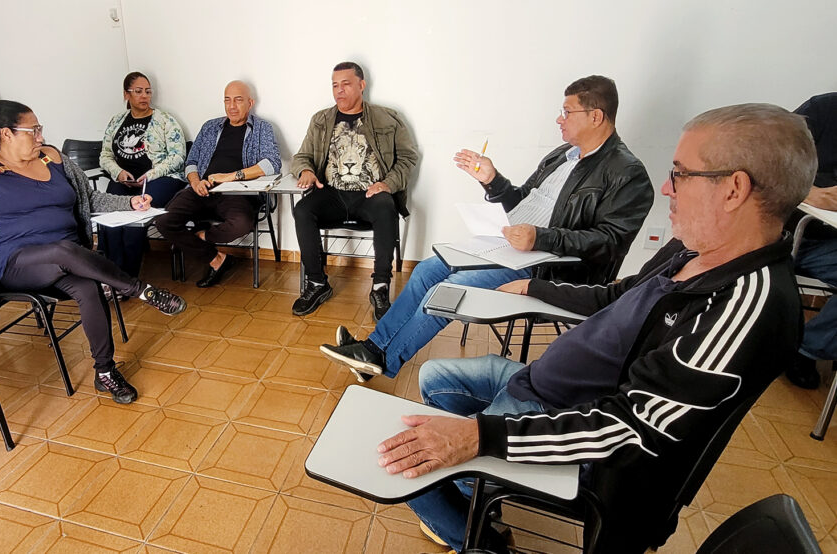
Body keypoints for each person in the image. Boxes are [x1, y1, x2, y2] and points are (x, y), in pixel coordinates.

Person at [374, 103, 814, 552]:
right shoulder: (692, 251)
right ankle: (476, 502)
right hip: (547, 385)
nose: (668, 187)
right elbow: (618, 294)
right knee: (434, 378)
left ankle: (480, 537)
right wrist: (537, 288)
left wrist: (478, 438)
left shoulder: (744, 304)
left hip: (585, 435)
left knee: (399, 456)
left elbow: (632, 429)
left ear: (734, 189)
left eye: (680, 174)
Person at [321, 76, 654, 382]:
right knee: (426, 270)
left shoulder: (627, 173)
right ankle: (373, 348)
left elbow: (610, 242)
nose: (559, 119)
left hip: (551, 266)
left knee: (451, 289)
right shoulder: (562, 156)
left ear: (596, 116)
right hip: (513, 248)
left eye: (567, 112)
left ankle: (383, 359)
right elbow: (523, 201)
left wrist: (541, 237)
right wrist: (492, 180)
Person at [0, 100, 187, 405]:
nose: (40, 136)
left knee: (87, 287)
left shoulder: (53, 158)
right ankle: (140, 290)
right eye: (32, 130)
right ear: (6, 134)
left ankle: (104, 371)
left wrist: (130, 203)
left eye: (39, 129)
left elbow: (88, 198)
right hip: (18, 263)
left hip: (69, 259)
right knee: (63, 250)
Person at [290, 61, 419, 317]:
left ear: (361, 85)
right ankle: (317, 283)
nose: (339, 90)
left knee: (386, 207)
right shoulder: (320, 120)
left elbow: (408, 157)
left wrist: (388, 184)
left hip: (371, 193)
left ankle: (380, 286)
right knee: (302, 209)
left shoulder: (388, 118)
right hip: (332, 193)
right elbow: (302, 156)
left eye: (346, 84)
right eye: (334, 85)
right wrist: (305, 170)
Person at [154, 81, 281, 287]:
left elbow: (272, 163)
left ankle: (200, 236)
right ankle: (217, 259)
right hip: (202, 188)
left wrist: (231, 176)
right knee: (163, 221)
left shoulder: (262, 128)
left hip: (236, 193)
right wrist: (195, 182)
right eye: (227, 100)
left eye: (238, 100)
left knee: (242, 223)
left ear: (250, 103)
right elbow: (191, 161)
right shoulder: (210, 127)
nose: (232, 106)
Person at [98, 72, 187, 278]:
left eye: (147, 91)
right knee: (109, 217)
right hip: (125, 181)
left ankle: (128, 278)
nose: (144, 96)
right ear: (126, 94)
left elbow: (178, 156)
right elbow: (105, 155)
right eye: (138, 91)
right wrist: (118, 172)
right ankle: (111, 274)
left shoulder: (165, 120)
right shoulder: (116, 121)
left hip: (159, 179)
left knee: (136, 217)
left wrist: (151, 174)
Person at [783, 92, 837, 389]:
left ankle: (808, 349)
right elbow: (766, 161)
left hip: (829, 244)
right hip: (785, 232)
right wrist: (808, 193)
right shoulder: (822, 110)